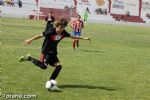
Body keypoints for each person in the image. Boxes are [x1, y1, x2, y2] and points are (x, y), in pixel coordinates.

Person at [19, 18, 90, 90]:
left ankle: (50, 81)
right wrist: (30, 40)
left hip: (53, 52)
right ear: (57, 26)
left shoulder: (63, 32)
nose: (61, 29)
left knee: (59, 66)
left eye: (63, 28)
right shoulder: (50, 31)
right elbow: (40, 35)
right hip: (46, 51)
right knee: (44, 66)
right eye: (60, 27)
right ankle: (29, 58)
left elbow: (72, 36)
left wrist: (84, 38)